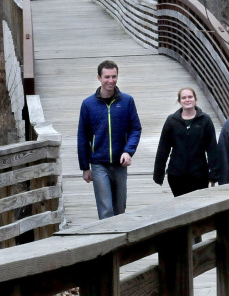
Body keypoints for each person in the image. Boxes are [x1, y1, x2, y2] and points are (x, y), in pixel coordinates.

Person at [77, 60, 142, 219]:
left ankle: (120, 242)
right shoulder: (88, 104)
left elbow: (135, 128)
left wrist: (128, 151)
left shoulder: (127, 101)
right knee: (106, 208)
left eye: (114, 76)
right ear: (99, 77)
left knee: (120, 208)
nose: (110, 81)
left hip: (120, 163)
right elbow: (82, 136)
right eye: (107, 77)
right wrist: (85, 167)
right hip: (99, 163)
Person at [152, 87, 221, 197]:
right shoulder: (172, 121)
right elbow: (163, 148)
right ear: (179, 101)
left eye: (190, 97)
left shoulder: (205, 120)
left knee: (198, 206)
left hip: (199, 174)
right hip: (176, 174)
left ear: (195, 99)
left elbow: (212, 148)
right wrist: (158, 175)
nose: (187, 100)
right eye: (183, 98)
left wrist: (214, 174)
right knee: (181, 206)